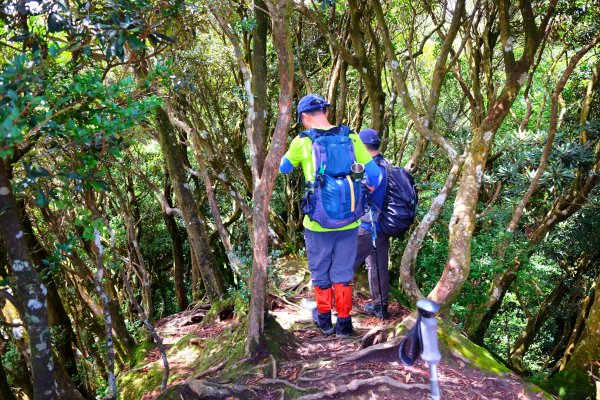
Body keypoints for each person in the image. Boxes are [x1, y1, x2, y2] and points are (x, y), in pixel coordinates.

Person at [279, 94, 381, 337]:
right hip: (350, 219)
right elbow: (375, 174)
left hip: (317, 223)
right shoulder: (351, 136)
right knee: (344, 271)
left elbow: (283, 167)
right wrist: (365, 188)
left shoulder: (302, 141)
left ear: (305, 116)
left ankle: (324, 320)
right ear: (325, 111)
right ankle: (344, 324)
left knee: (320, 270)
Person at [353, 129, 391, 319]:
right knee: (377, 265)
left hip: (368, 227)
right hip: (383, 224)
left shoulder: (371, 170)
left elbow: (361, 192)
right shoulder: (388, 165)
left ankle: (325, 307)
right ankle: (380, 306)